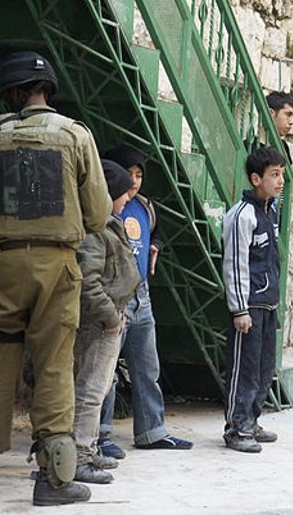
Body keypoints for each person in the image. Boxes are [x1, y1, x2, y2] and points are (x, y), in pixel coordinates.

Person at [0, 51, 109, 506]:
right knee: (53, 366)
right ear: (48, 92)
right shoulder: (75, 135)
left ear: (12, 93)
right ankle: (54, 479)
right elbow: (100, 213)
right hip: (57, 267)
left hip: (0, 265)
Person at [96, 145, 193, 458]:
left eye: (139, 175)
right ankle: (100, 434)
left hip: (142, 296)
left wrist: (156, 247)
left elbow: (158, 231)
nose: (134, 181)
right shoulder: (103, 206)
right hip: (113, 296)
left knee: (147, 365)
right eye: (129, 174)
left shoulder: (145, 207)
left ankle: (152, 430)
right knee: (105, 369)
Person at [71, 160, 140, 485]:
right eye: (122, 192)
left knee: (98, 389)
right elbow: (89, 281)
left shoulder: (108, 224)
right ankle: (80, 455)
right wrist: (111, 318)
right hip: (100, 324)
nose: (128, 198)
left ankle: (89, 446)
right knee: (89, 389)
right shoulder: (95, 232)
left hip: (111, 319)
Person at [221, 146, 285, 453]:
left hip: (267, 304)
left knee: (263, 369)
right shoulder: (241, 215)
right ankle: (236, 427)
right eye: (274, 175)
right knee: (242, 369)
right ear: (256, 178)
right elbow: (235, 265)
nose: (280, 180)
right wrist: (239, 309)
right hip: (248, 309)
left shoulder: (270, 211)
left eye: (281, 174)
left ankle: (252, 421)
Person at [265, 91, 293, 163]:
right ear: (270, 113)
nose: (292, 122)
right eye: (288, 114)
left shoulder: (283, 146)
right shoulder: (250, 145)